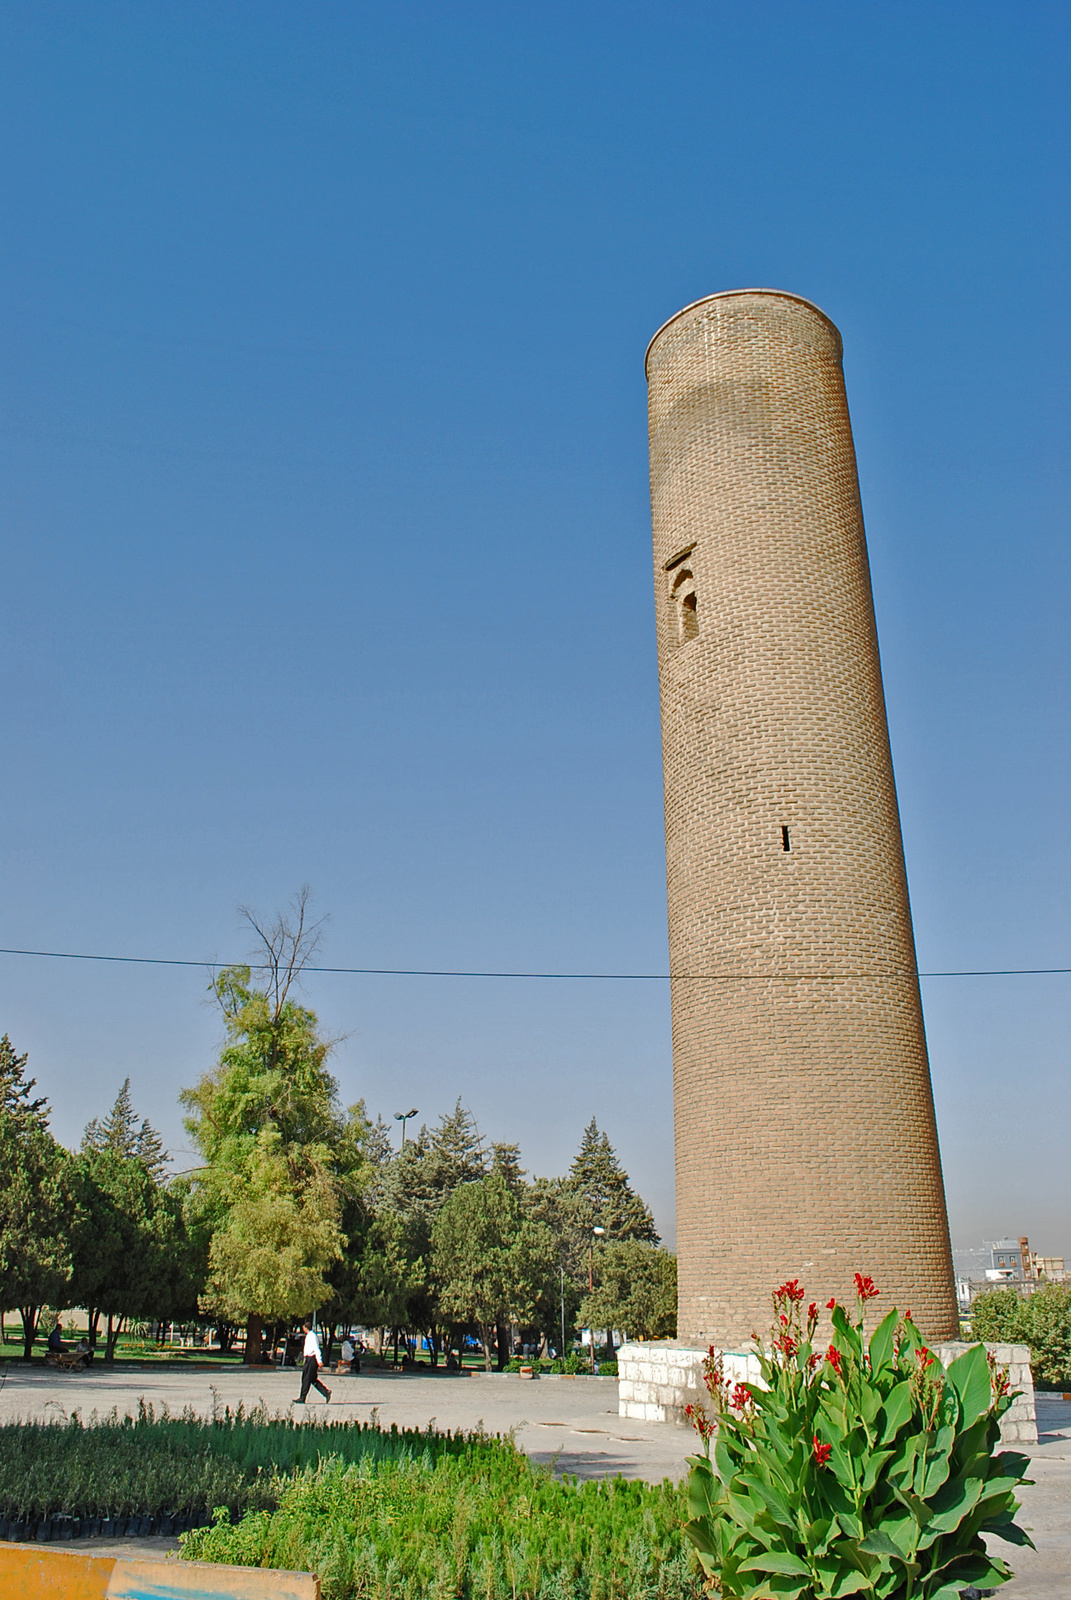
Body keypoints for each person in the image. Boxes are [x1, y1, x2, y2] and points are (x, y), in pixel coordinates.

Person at [295, 1319, 332, 1405]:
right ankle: (326, 1392)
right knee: (311, 1378)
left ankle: (302, 1397)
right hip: (308, 1359)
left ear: (305, 1327)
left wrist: (319, 1360)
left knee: (306, 1378)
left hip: (312, 1359)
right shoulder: (309, 1335)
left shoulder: (312, 1336)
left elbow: (316, 1348)